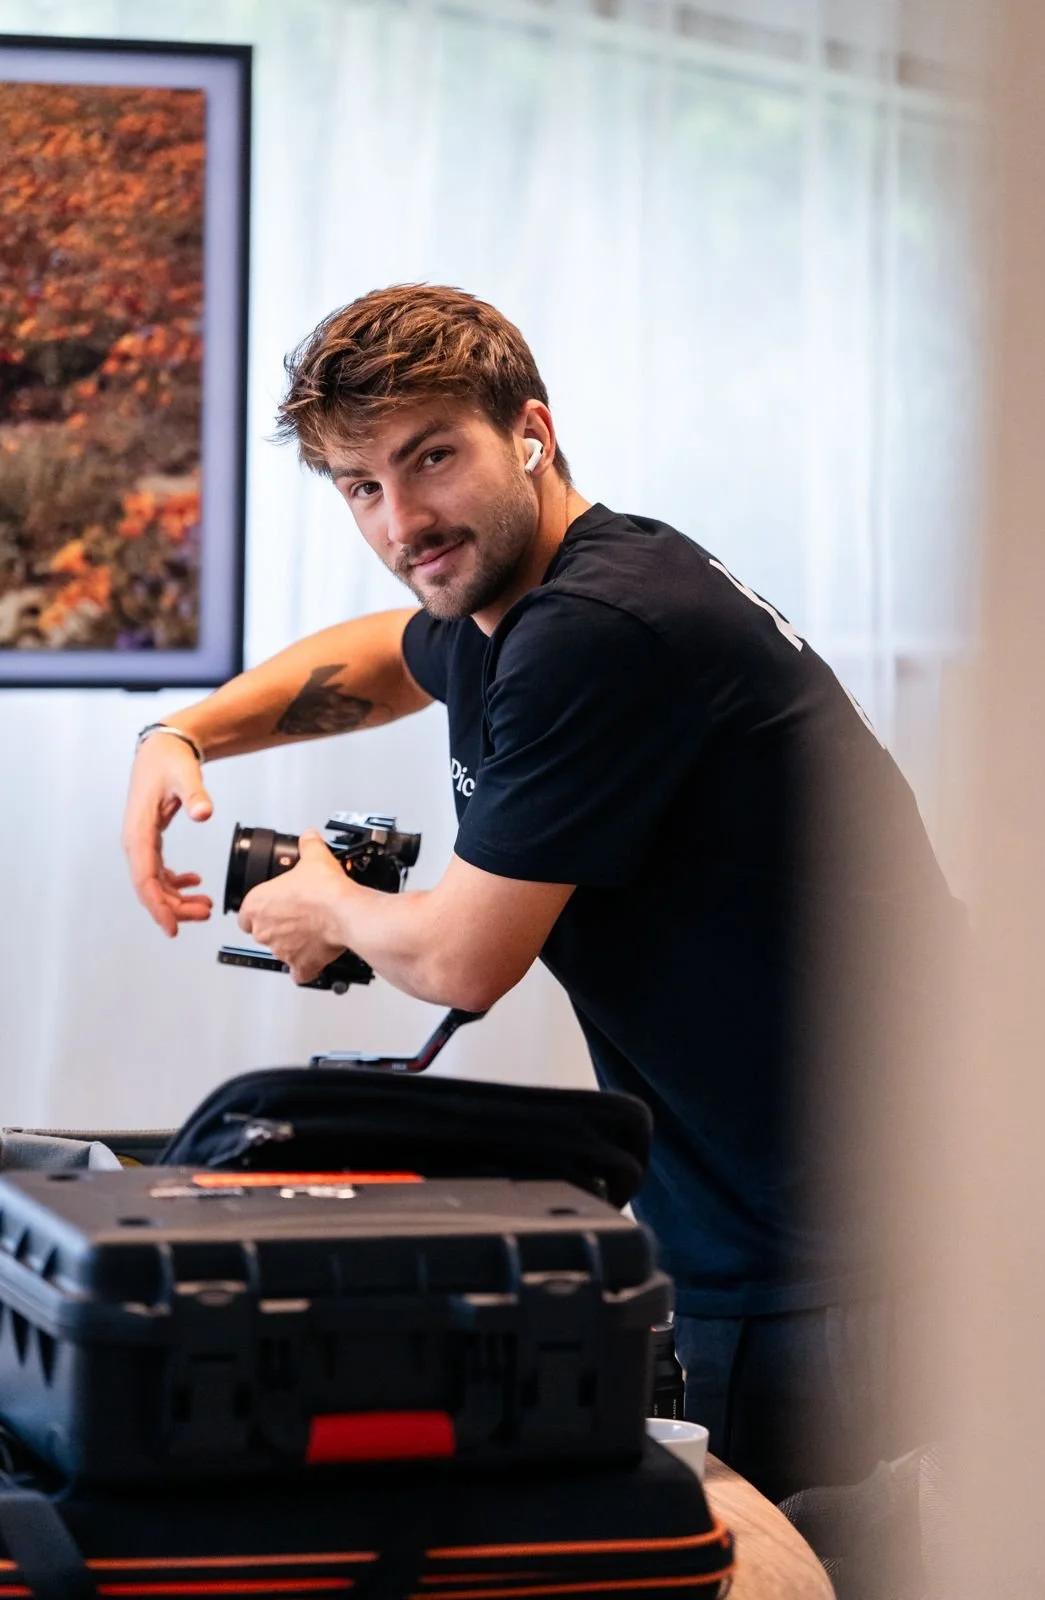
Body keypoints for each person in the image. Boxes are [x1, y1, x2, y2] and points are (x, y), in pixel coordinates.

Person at [123, 284, 956, 1503]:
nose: (402, 520)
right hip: (791, 1211)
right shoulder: (528, 592)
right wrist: (181, 733)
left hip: (840, 1256)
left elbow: (462, 957)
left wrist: (327, 903)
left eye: (431, 458)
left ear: (530, 431)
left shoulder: (594, 629)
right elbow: (385, 651)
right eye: (360, 486)